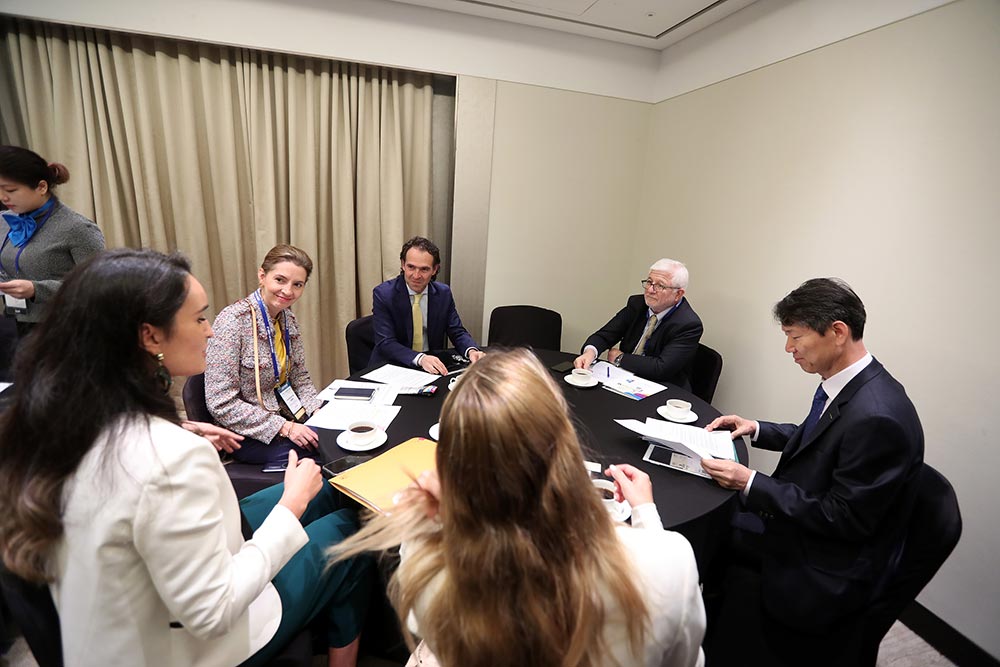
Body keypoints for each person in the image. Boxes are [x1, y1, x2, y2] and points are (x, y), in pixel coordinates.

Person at [0, 249, 371, 667]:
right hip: (194, 647)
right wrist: (291, 505)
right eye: (199, 319)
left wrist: (185, 425)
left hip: (121, 616)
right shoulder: (173, 458)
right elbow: (213, 612)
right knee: (348, 528)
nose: (210, 331)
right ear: (150, 337)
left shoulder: (58, 420)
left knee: (335, 490)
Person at [330, 349, 706, 667]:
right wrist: (646, 515)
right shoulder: (670, 562)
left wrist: (434, 521)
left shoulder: (430, 568)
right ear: (565, 442)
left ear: (453, 465)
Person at [699, 278, 924, 666]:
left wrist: (749, 480)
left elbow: (843, 518)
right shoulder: (851, 386)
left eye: (795, 337)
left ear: (837, 332)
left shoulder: (877, 416)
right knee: (717, 522)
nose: (789, 348)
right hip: (804, 525)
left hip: (823, 568)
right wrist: (756, 428)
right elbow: (818, 439)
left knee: (712, 529)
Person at [206, 244, 322, 467]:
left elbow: (299, 377)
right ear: (262, 276)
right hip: (247, 432)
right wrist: (284, 427)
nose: (288, 291)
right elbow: (221, 403)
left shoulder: (287, 319)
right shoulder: (232, 322)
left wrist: (316, 410)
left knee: (337, 434)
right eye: (280, 280)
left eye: (297, 285)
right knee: (321, 454)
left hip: (286, 415)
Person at [0, 145, 105, 338]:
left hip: (64, 327)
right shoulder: (4, 220)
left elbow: (97, 286)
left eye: (11, 190)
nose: (2, 197)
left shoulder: (78, 228)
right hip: (15, 321)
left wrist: (36, 289)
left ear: (42, 187)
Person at [574, 258, 703, 390]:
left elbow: (661, 368)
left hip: (662, 387)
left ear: (678, 294)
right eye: (649, 282)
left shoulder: (689, 324)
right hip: (623, 377)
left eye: (660, 286)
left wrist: (620, 358)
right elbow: (605, 335)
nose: (650, 290)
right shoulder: (637, 304)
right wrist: (590, 352)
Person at [370, 236, 483, 375]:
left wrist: (471, 350)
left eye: (424, 269)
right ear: (403, 264)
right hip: (393, 366)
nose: (416, 275)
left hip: (431, 368)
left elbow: (456, 331)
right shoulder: (384, 294)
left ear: (435, 269)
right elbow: (386, 342)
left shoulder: (443, 293)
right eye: (411, 267)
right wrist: (420, 359)